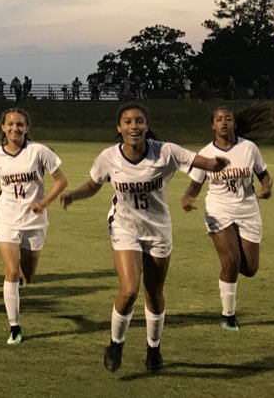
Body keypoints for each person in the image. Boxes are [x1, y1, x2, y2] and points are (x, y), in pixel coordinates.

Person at [59, 103, 228, 373]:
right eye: (127, 122)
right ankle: (116, 343)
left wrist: (215, 162)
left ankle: (153, 348)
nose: (133, 126)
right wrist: (73, 195)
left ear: (146, 125)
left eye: (139, 121)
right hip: (125, 228)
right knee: (129, 291)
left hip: (158, 229)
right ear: (119, 128)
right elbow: (93, 184)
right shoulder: (109, 157)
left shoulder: (165, 151)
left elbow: (199, 161)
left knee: (154, 293)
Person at [179, 104, 274, 332]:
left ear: (234, 123)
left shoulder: (249, 148)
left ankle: (228, 272)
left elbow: (264, 175)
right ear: (213, 125)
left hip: (247, 209)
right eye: (219, 119)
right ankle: (228, 316)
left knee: (250, 268)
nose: (224, 123)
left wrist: (267, 187)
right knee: (230, 262)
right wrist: (186, 198)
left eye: (228, 119)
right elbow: (195, 185)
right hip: (218, 209)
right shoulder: (206, 153)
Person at [0, 109, 67, 344]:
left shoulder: (39, 151)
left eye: (20, 124)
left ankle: (16, 289)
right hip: (6, 218)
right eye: (11, 124)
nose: (15, 128)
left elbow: (61, 180)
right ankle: (14, 327)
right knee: (11, 271)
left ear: (26, 128)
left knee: (27, 275)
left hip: (34, 221)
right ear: (3, 127)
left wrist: (44, 203)